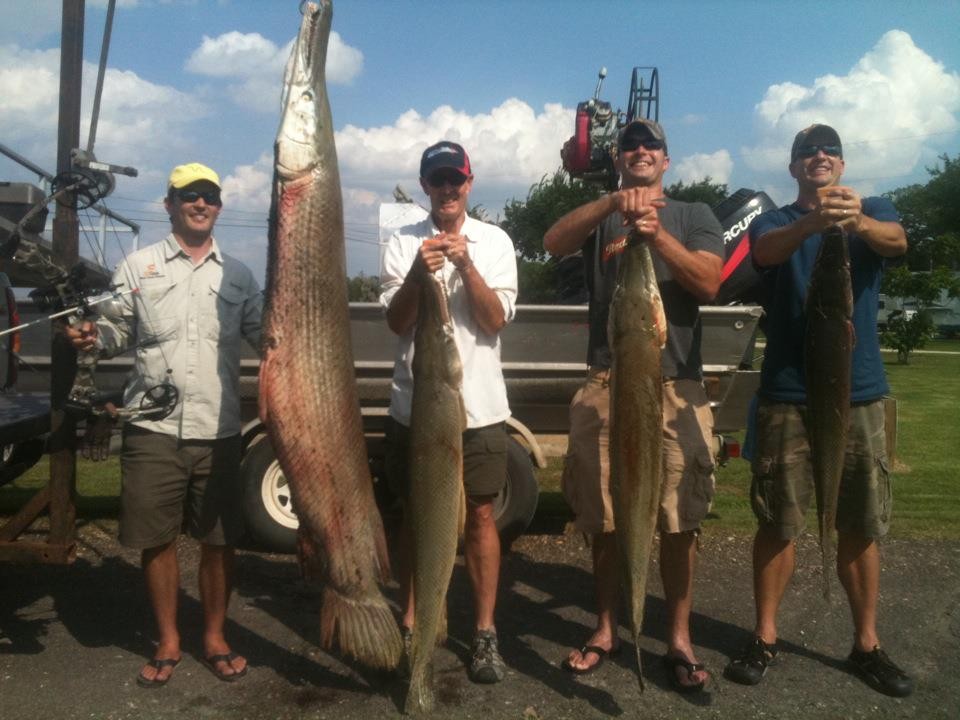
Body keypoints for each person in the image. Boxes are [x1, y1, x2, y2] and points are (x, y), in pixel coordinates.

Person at [723, 124, 913, 697]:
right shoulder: (777, 220)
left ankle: (867, 644)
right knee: (778, 522)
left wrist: (853, 221)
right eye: (807, 152)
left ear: (843, 163)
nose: (819, 157)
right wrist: (814, 222)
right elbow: (764, 252)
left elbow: (897, 241)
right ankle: (765, 636)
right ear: (794, 168)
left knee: (860, 522)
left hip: (860, 394)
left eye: (828, 150)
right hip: (787, 392)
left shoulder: (873, 208)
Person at [543, 119, 724, 691]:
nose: (640, 151)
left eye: (651, 146)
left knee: (677, 519)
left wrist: (655, 235)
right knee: (603, 516)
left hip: (676, 386)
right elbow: (553, 243)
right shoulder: (601, 216)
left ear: (666, 160)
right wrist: (611, 204)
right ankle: (605, 627)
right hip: (606, 382)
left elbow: (709, 282)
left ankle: (677, 636)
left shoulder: (694, 215)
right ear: (619, 159)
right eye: (630, 146)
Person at [66, 163, 262, 688]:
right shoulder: (138, 266)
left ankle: (216, 636)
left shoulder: (240, 276)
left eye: (210, 195)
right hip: (153, 428)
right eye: (189, 195)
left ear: (220, 206)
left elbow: (268, 338)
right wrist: (92, 338)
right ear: (169, 203)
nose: (201, 203)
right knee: (157, 540)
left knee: (220, 542)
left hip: (218, 430)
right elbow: (112, 330)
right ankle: (169, 639)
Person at [379, 141, 518, 684]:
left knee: (481, 516)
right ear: (425, 187)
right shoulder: (400, 243)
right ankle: (414, 623)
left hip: (479, 408)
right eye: (437, 181)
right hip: (416, 407)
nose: (447, 189)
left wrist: (467, 264)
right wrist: (418, 274)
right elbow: (396, 322)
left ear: (469, 182)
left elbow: (494, 320)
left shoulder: (496, 241)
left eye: (455, 179)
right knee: (415, 513)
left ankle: (484, 633)